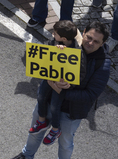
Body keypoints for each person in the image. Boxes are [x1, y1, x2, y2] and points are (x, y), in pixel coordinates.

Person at [15, 22, 111, 159]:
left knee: (65, 143)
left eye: (96, 41)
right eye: (89, 37)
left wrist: (62, 92)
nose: (90, 43)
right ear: (83, 32)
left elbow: (91, 95)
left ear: (103, 43)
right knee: (35, 133)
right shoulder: (70, 43)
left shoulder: (103, 64)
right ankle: (26, 155)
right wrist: (55, 48)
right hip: (48, 100)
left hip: (71, 112)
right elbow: (48, 51)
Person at [29, 21, 80, 146]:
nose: (52, 34)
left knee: (54, 106)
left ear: (63, 38)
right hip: (50, 77)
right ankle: (41, 121)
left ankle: (56, 130)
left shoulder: (76, 50)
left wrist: (65, 51)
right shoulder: (54, 42)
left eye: (55, 33)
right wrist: (55, 48)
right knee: (40, 95)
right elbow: (47, 53)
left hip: (61, 84)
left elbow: (76, 69)